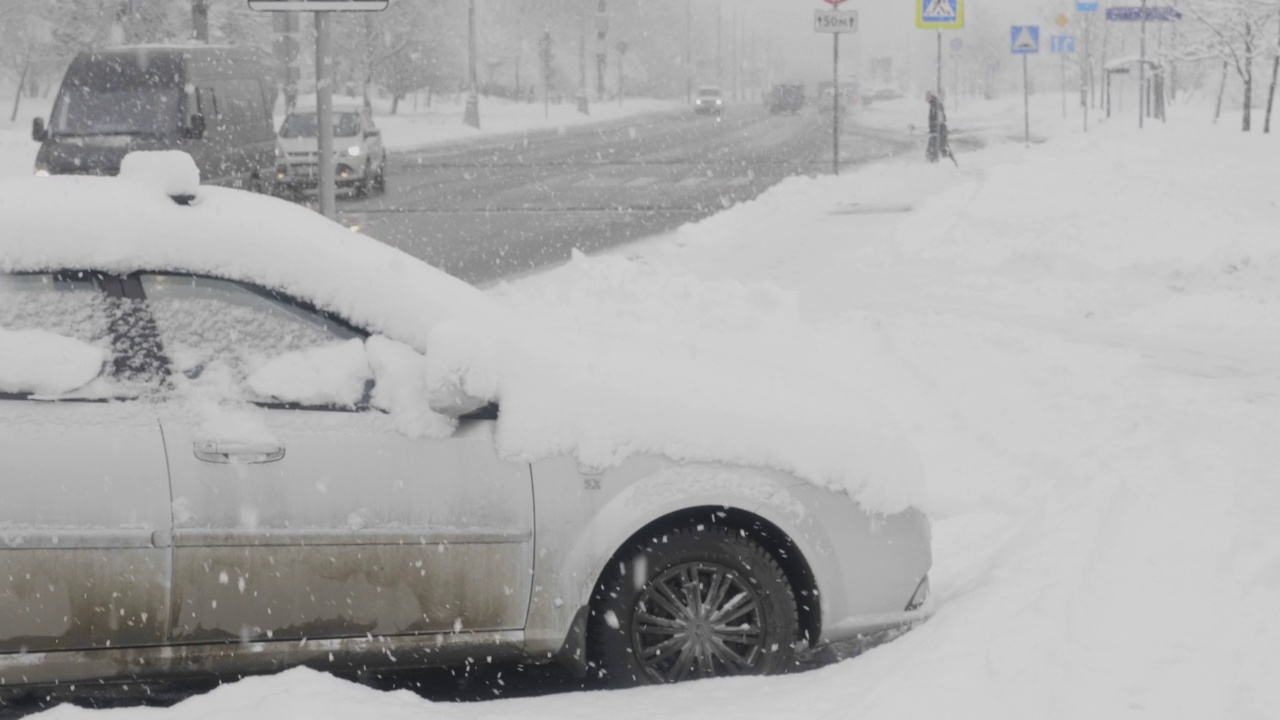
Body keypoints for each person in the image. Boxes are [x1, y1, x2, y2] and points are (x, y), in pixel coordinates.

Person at [925, 90, 956, 165]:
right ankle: (952, 163)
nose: (925, 98)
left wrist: (936, 128)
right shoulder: (935, 104)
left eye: (926, 96)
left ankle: (933, 165)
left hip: (938, 131)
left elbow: (941, 118)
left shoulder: (935, 104)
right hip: (938, 130)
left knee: (933, 150)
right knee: (942, 148)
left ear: (930, 96)